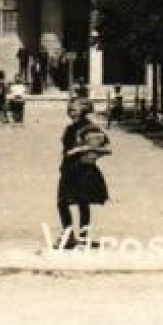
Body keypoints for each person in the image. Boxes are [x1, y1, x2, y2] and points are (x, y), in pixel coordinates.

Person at [55, 98, 110, 249]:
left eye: (74, 109)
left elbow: (106, 148)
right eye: (69, 109)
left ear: (84, 110)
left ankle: (79, 236)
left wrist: (82, 150)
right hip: (69, 169)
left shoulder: (89, 128)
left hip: (82, 169)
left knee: (78, 202)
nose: (70, 111)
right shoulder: (71, 127)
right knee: (66, 202)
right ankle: (72, 236)